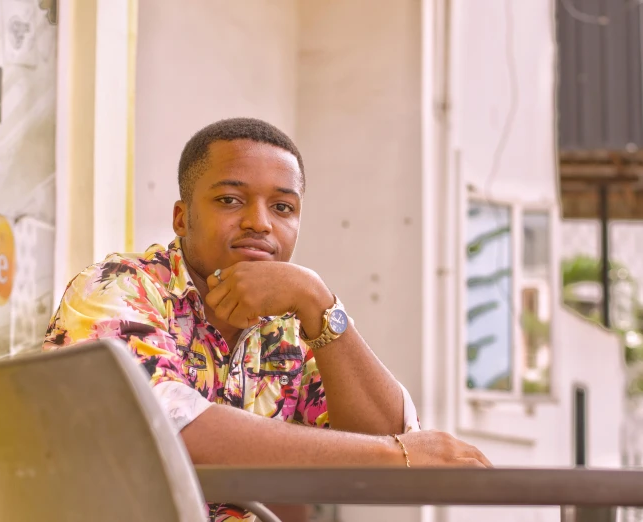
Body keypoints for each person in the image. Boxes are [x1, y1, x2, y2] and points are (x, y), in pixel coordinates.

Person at [44, 117, 492, 521]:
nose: (259, 223)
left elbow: (388, 439)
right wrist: (395, 455)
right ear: (182, 218)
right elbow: (167, 427)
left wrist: (318, 300)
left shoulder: (289, 329)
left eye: (282, 208)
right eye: (230, 199)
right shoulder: (117, 287)